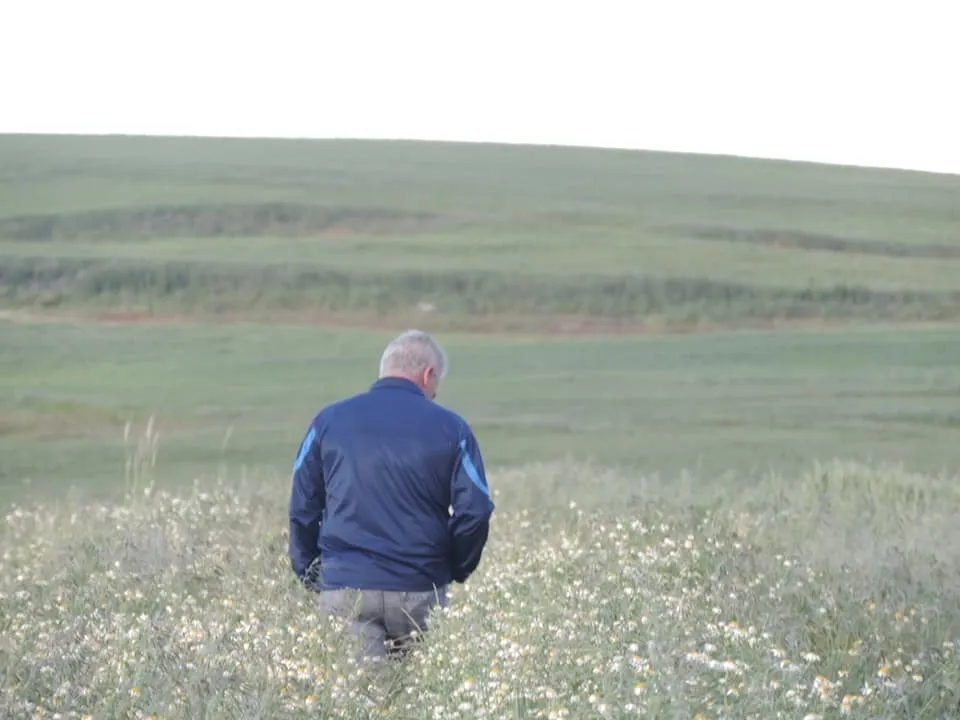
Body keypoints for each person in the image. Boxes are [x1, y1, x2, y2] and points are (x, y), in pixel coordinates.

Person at [287, 329, 495, 663]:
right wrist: (455, 567)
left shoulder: (327, 422)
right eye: (437, 384)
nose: (435, 392)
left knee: (358, 692)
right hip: (419, 589)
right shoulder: (453, 428)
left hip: (346, 589)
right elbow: (475, 511)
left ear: (385, 368)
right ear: (428, 375)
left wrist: (310, 571)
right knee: (421, 691)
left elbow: (303, 506)